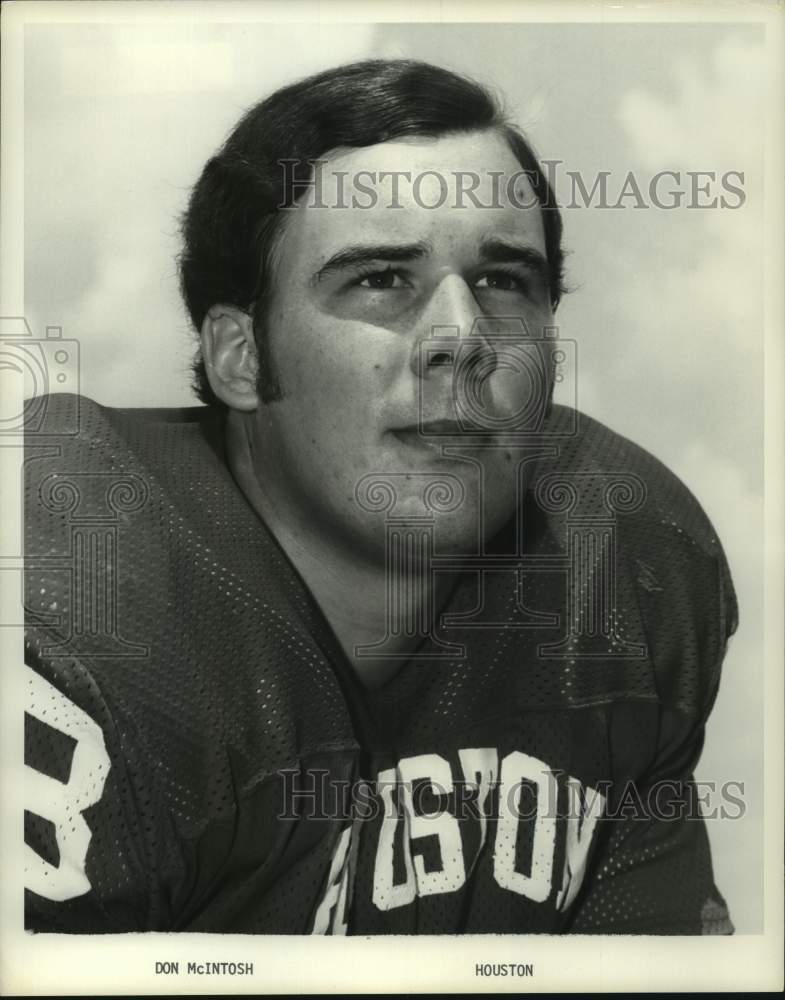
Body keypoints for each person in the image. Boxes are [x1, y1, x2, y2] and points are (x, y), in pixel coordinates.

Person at [23, 59, 736, 934]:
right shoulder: (78, 599)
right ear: (239, 356)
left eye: (503, 280)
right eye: (379, 279)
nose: (462, 340)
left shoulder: (628, 558)